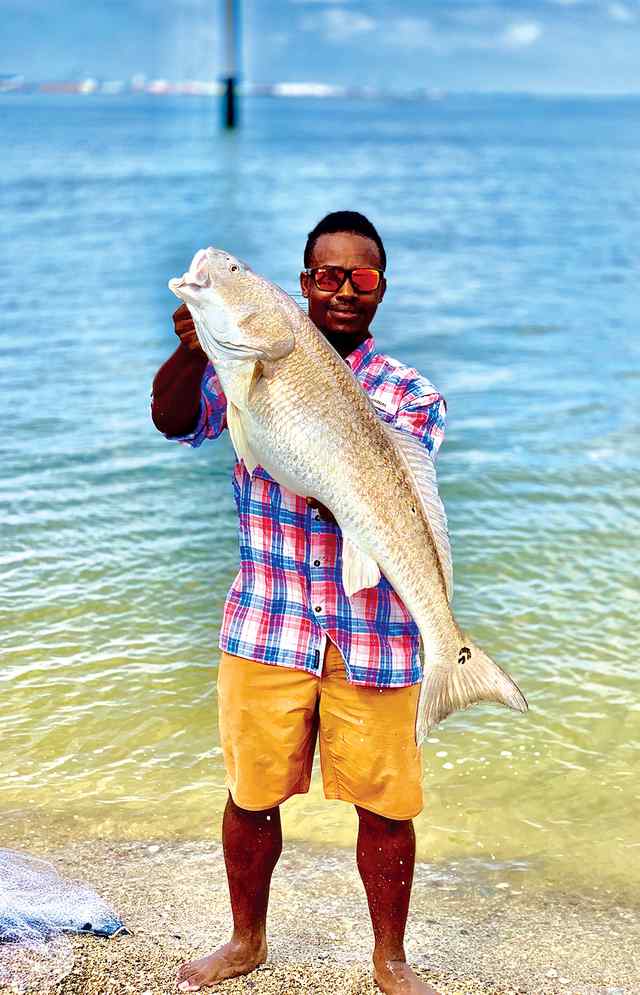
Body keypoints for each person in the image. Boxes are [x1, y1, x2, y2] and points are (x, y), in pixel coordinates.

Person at [151, 212, 447, 995]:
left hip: (375, 632)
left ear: (383, 288)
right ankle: (245, 939)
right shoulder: (239, 366)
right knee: (250, 796)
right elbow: (174, 421)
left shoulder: (412, 392)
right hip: (266, 624)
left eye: (364, 277)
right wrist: (195, 350)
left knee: (387, 806)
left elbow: (371, 483)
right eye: (326, 275)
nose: (345, 290)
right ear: (303, 283)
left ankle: (390, 959)